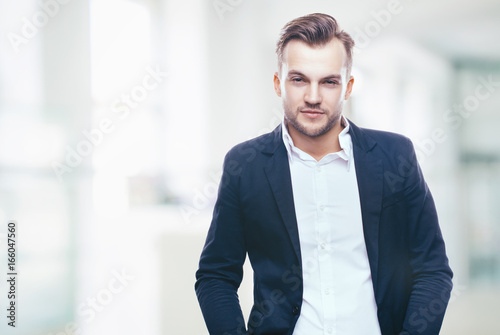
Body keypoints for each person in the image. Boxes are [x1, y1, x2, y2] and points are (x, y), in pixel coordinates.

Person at [195, 13, 453, 335]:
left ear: (348, 87)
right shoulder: (247, 166)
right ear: (279, 83)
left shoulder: (394, 157)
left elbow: (432, 269)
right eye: (299, 79)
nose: (313, 97)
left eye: (329, 81)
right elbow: (216, 276)